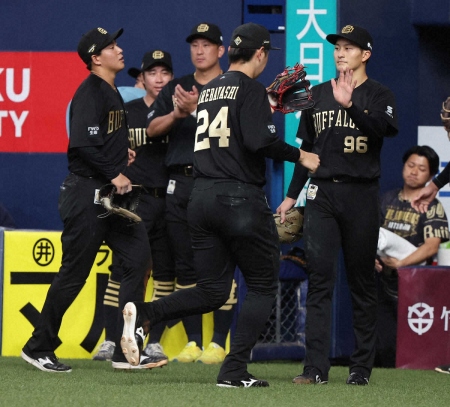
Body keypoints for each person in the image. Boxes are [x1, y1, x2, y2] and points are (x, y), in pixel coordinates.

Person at [120, 22, 320, 387]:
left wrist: (265, 107)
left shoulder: (209, 90)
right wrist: (301, 155)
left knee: (212, 289)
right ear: (260, 54)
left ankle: (147, 314)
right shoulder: (252, 89)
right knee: (262, 284)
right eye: (265, 55)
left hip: (200, 197)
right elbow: (260, 142)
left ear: (229, 52)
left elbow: (239, 130)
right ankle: (234, 370)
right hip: (239, 198)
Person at [21, 26, 155, 372]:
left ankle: (126, 349)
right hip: (86, 193)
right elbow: (81, 142)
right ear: (96, 58)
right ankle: (38, 346)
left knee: (138, 259)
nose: (119, 49)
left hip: (109, 196)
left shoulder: (110, 91)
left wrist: (119, 154)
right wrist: (114, 171)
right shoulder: (90, 91)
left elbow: (100, 141)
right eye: (111, 46)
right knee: (74, 274)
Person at [277, 24, 398, 385]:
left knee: (362, 282)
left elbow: (383, 130)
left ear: (366, 54)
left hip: (361, 195)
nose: (341, 52)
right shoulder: (315, 95)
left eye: (350, 47)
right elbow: (307, 153)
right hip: (323, 194)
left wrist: (351, 107)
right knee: (320, 281)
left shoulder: (379, 94)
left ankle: (361, 368)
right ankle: (314, 368)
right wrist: (290, 194)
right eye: (337, 47)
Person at [145, 22, 235, 364]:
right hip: (180, 182)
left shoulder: (232, 85)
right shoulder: (178, 85)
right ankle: (194, 342)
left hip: (219, 181)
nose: (200, 50)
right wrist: (178, 112)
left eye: (207, 44)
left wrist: (198, 112)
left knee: (222, 264)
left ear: (221, 50)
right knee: (186, 265)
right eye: (195, 44)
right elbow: (152, 129)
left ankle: (219, 343)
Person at [92, 50, 175, 365]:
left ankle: (153, 342)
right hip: (132, 199)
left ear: (171, 78)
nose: (158, 78)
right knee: (123, 270)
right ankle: (111, 339)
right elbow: (105, 152)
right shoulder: (125, 111)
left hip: (166, 197)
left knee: (164, 272)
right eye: (152, 72)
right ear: (141, 78)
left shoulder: (178, 114)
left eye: (164, 73)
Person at [375, 145, 448, 368]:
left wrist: (401, 264)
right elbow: (368, 234)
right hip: (382, 280)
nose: (414, 172)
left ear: (432, 175)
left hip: (416, 284)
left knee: (412, 345)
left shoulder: (432, 206)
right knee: (382, 343)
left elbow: (431, 246)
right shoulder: (386, 199)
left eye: (422, 169)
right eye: (411, 165)